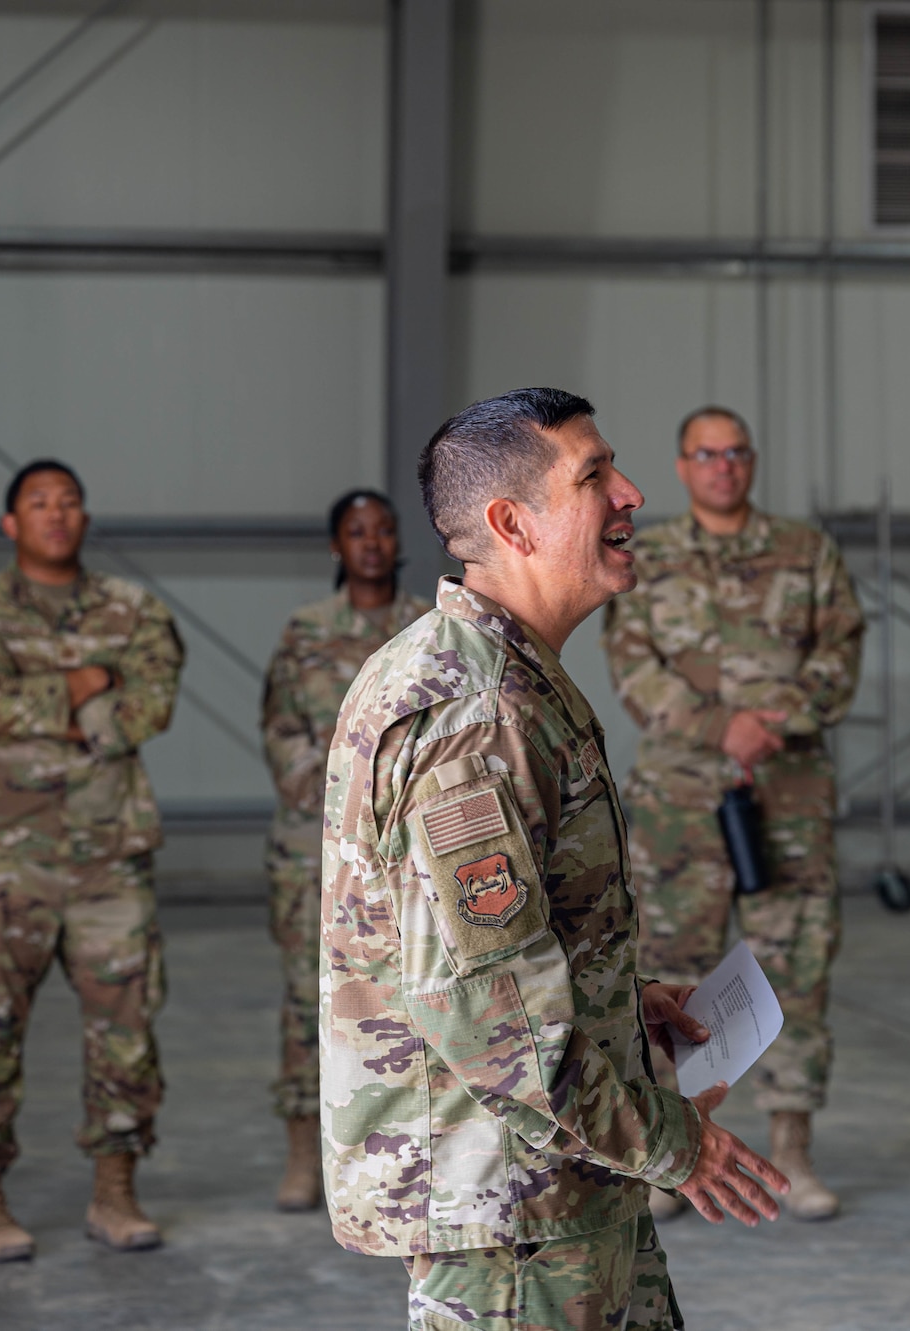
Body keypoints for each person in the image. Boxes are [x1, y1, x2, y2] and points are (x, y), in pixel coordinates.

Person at [321, 389, 789, 1331]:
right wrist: (676, 1145)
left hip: (565, 1183)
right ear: (511, 523)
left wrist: (622, 993)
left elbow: (508, 945)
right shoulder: (475, 711)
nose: (631, 492)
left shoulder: (515, 679)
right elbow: (491, 1022)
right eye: (593, 477)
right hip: (512, 1220)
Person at [601, 405, 862, 1222]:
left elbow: (841, 653)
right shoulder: (652, 557)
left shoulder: (806, 552)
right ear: (681, 467)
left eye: (736, 452)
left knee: (797, 970)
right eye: (705, 454)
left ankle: (793, 1146)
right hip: (681, 804)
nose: (722, 466)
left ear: (752, 461)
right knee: (670, 982)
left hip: (788, 799)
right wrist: (722, 725)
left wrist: (770, 723)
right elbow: (630, 663)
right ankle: (673, 1154)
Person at [0, 459, 184, 1262]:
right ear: (11, 523)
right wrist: (86, 684)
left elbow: (150, 706)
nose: (56, 513)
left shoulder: (135, 609)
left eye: (69, 501)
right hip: (4, 864)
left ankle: (114, 1192)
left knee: (126, 1031)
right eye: (38, 503)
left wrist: (61, 707)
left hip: (109, 858)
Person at [260, 488, 430, 1212]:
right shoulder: (306, 631)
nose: (371, 542)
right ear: (337, 546)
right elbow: (281, 731)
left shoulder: (427, 625)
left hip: (408, 843)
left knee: (414, 995)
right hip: (317, 847)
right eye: (356, 532)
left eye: (384, 530)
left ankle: (405, 1146)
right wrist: (339, 792)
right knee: (313, 996)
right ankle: (306, 1145)